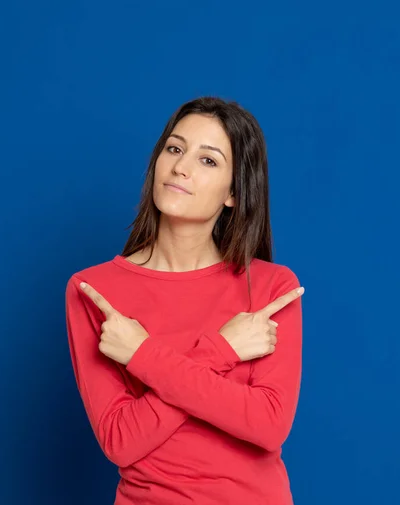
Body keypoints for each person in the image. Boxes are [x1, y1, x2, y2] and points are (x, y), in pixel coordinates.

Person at [64, 96, 305, 505]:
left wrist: (143, 355)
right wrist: (223, 349)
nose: (181, 166)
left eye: (208, 160)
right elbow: (121, 441)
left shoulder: (270, 288)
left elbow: (268, 426)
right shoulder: (93, 291)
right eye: (175, 149)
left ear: (233, 192)